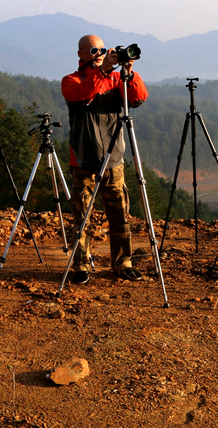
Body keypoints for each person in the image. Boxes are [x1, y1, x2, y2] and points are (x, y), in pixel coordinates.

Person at [61, 35, 149, 284]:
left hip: (114, 159)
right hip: (84, 160)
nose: (99, 52)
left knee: (120, 215)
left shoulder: (116, 79)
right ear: (81, 54)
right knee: (83, 216)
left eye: (102, 48)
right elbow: (83, 94)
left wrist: (130, 75)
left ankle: (123, 263)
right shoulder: (71, 80)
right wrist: (103, 70)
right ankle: (80, 266)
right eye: (93, 49)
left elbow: (138, 99)